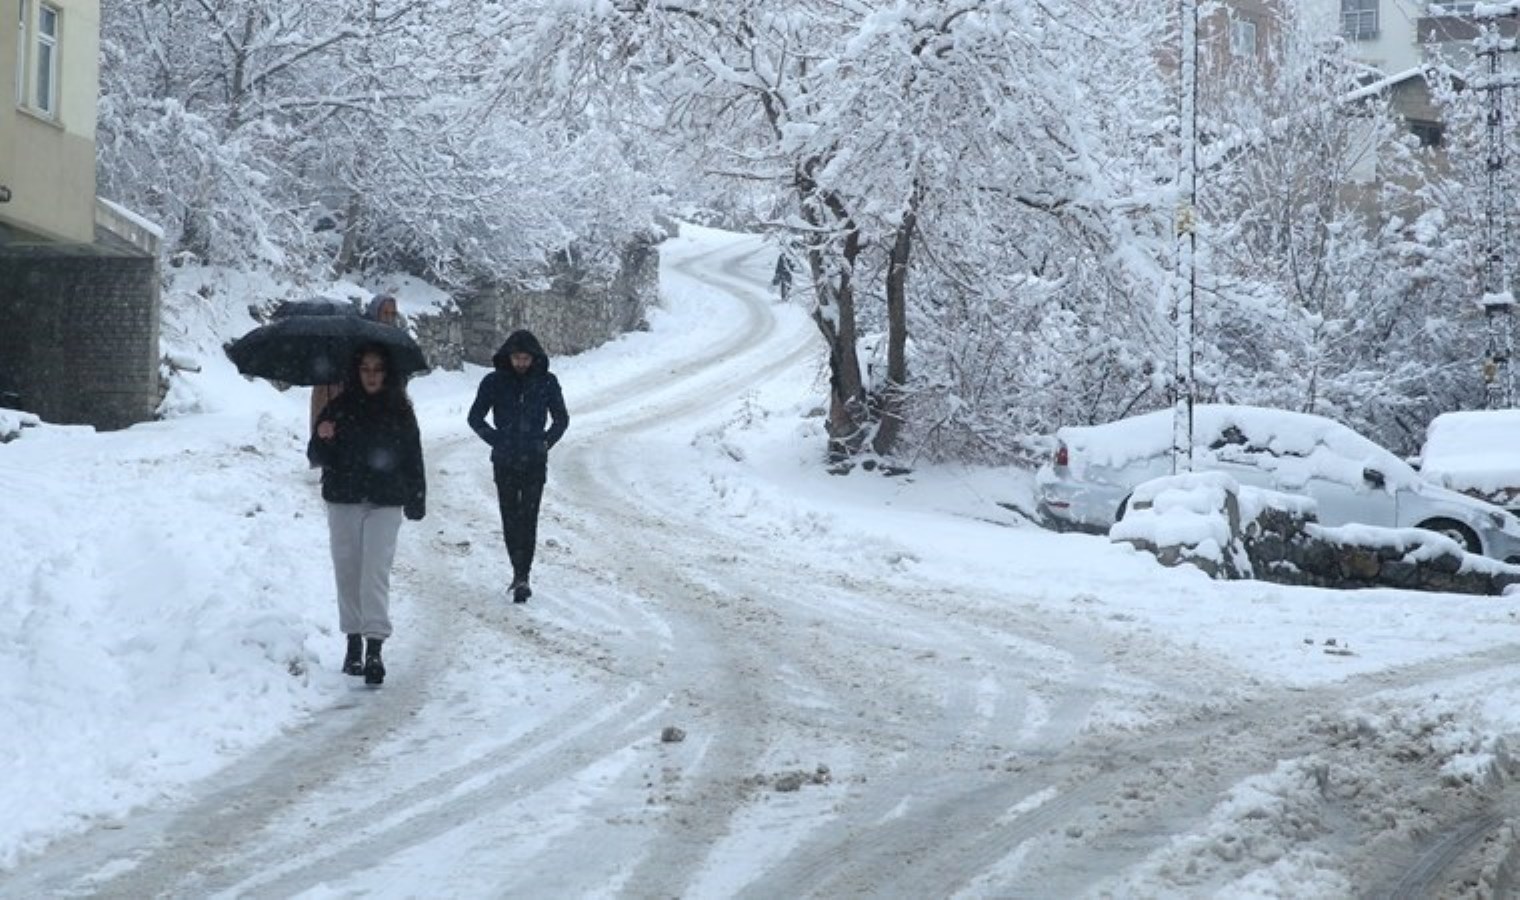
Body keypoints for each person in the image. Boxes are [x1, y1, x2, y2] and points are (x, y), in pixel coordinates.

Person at [308, 342, 427, 685]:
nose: (371, 376)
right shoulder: (338, 408)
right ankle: (352, 642)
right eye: (365, 369)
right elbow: (316, 454)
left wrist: (417, 495)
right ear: (356, 372)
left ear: (387, 373)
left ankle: (374, 646)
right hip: (343, 497)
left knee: (375, 571)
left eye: (377, 369)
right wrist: (323, 436)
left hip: (386, 499)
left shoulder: (400, 411)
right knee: (348, 570)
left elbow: (412, 454)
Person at [467, 330, 569, 603]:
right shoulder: (494, 382)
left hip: (535, 460)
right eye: (517, 358)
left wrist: (546, 442)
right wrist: (496, 440)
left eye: (525, 358)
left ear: (534, 358)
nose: (521, 363)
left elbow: (561, 418)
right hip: (505, 461)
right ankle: (517, 570)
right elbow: (475, 417)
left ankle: (524, 575)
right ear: (508, 357)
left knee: (529, 518)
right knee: (510, 518)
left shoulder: (547, 382)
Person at [309, 294, 400, 438]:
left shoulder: (394, 343)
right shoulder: (360, 338)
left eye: (392, 314)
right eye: (385, 313)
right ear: (376, 312)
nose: (388, 319)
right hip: (340, 399)